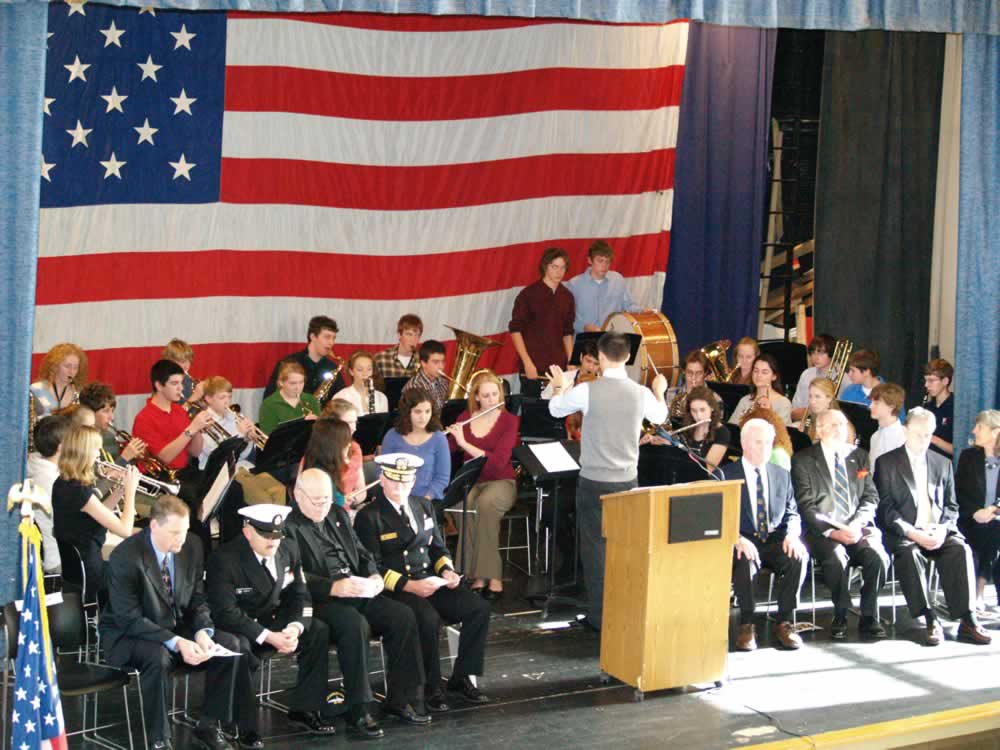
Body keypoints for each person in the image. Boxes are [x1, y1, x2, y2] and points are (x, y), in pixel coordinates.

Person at [100, 495, 252, 750]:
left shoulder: (191, 545)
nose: (181, 538)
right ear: (154, 526)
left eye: (184, 531)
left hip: (175, 625)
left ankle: (208, 725)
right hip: (129, 634)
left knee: (231, 643)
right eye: (174, 533)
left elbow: (197, 599)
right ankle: (160, 739)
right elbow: (129, 618)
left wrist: (203, 631)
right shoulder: (125, 557)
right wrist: (177, 641)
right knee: (158, 657)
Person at [283, 468, 427, 737]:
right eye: (316, 500)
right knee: (354, 624)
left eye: (326, 499)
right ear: (297, 495)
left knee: (402, 615)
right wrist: (334, 587)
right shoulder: (287, 525)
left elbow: (361, 553)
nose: (322, 506)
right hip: (319, 599)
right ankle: (359, 708)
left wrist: (373, 575)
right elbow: (290, 575)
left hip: (355, 588)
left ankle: (401, 698)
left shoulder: (337, 514)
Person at [547, 332, 668, 630]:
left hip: (593, 481)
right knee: (623, 549)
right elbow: (661, 415)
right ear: (627, 358)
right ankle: (625, 613)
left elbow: (554, 409)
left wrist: (560, 386)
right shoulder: (640, 393)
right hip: (626, 483)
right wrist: (660, 389)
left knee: (594, 550)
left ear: (600, 357)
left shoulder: (588, 391)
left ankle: (600, 618)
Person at [354, 453, 491, 711]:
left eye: (405, 482)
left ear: (414, 480)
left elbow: (438, 549)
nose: (400, 488)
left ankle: (462, 677)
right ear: (382, 479)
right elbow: (372, 567)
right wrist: (411, 586)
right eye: (394, 481)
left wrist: (448, 571)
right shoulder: (369, 516)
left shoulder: (423, 506)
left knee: (478, 608)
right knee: (427, 618)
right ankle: (431, 687)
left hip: (429, 580)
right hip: (396, 589)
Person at [206, 505, 336, 742]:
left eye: (277, 535)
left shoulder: (288, 549)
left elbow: (300, 595)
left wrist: (295, 627)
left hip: (275, 621)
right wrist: (267, 636)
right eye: (265, 535)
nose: (272, 542)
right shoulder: (224, 560)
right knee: (239, 648)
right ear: (247, 532)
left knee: (317, 630)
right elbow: (225, 613)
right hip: (241, 626)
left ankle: (305, 708)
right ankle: (245, 726)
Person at [874, 408, 990, 646]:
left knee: (961, 549)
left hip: (937, 530)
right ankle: (928, 618)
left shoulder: (942, 462)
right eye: (919, 435)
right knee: (909, 553)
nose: (924, 440)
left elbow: (952, 506)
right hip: (905, 532)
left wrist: (943, 529)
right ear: (905, 431)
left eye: (928, 435)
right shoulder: (886, 463)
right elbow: (885, 510)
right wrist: (911, 531)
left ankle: (967, 620)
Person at [791, 410, 888, 640]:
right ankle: (841, 613)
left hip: (857, 527)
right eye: (833, 425)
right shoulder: (803, 460)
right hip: (822, 530)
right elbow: (806, 506)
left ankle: (868, 615)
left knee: (878, 557)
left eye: (842, 424)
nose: (839, 430)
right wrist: (833, 531)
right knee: (835, 558)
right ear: (820, 429)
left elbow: (870, 497)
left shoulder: (860, 457)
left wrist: (856, 524)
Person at [722, 418, 808, 651]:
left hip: (774, 538)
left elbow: (792, 512)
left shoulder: (782, 474)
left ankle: (785, 622)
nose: (764, 449)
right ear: (744, 443)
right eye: (758, 443)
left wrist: (792, 534)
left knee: (798, 556)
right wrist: (735, 538)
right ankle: (747, 624)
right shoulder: (725, 475)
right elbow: (718, 516)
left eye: (768, 443)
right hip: (743, 538)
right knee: (745, 560)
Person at [446, 370, 520, 600]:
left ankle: (491, 577)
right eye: (486, 396)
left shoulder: (509, 421)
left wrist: (464, 443)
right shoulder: (464, 418)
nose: (492, 400)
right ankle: (474, 574)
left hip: (502, 481)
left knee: (486, 505)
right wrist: (446, 436)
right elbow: (450, 449)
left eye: (495, 395)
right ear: (476, 397)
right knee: (462, 505)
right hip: (472, 480)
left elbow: (498, 464)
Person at [53, 425, 140, 600]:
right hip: (91, 572)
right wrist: (131, 492)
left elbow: (98, 514)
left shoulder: (64, 482)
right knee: (141, 575)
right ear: (83, 452)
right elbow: (124, 530)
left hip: (78, 568)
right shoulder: (78, 491)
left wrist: (120, 490)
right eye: (95, 450)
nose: (99, 455)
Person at [509, 246, 575, 396]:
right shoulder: (528, 295)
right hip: (534, 366)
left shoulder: (567, 297)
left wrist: (571, 360)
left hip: (559, 369)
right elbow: (515, 330)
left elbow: (567, 332)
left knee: (557, 414)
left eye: (563, 268)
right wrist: (527, 362)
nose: (559, 272)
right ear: (545, 266)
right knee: (533, 414)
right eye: (555, 267)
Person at [955, 410, 1000, 610]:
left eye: (980, 427)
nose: (974, 431)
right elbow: (958, 492)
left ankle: (979, 591)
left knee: (994, 531)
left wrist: (994, 509)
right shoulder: (968, 457)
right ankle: (979, 592)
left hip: (995, 518)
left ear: (995, 432)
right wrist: (975, 512)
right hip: (970, 519)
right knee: (991, 533)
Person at [379, 389, 451, 502]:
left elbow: (442, 478)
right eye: (418, 412)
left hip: (428, 500)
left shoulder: (439, 438)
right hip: (396, 498)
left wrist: (426, 498)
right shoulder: (392, 436)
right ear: (407, 412)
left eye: (428, 411)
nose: (423, 417)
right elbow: (382, 471)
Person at [565, 240, 647, 333]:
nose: (604, 266)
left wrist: (642, 311)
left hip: (612, 339)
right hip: (585, 339)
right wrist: (583, 327)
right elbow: (566, 318)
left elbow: (628, 306)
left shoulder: (617, 280)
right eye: (600, 261)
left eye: (607, 262)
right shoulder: (574, 285)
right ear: (589, 260)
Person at [26, 414, 73, 574]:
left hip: (54, 553)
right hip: (59, 559)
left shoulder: (36, 465)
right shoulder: (51, 480)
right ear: (61, 447)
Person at [263, 315, 346, 401]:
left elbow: (342, 403)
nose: (331, 343)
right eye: (327, 337)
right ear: (313, 336)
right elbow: (269, 399)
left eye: (334, 338)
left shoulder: (332, 368)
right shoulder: (288, 363)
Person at [195, 376, 263, 469]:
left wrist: (248, 439)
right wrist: (239, 434)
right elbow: (218, 456)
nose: (227, 401)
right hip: (215, 472)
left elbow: (241, 456)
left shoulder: (234, 417)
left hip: (239, 465)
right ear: (208, 399)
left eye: (229, 396)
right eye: (222, 397)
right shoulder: (203, 421)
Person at [302, 417, 366, 509]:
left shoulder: (318, 461)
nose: (349, 444)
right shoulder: (320, 474)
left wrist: (345, 499)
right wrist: (342, 500)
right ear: (333, 446)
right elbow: (335, 503)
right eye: (346, 441)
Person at [79, 381, 147, 466]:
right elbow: (97, 477)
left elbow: (118, 473)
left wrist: (133, 458)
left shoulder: (110, 437)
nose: (112, 417)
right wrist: (124, 458)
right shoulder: (80, 441)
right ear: (90, 412)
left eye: (112, 410)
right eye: (106, 411)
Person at [258, 361, 321, 435]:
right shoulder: (269, 404)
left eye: (301, 382)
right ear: (281, 382)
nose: (298, 388)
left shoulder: (311, 400)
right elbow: (269, 437)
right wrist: (303, 425)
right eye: (293, 383)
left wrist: (317, 424)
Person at [729, 354, 792, 426]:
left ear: (774, 376)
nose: (759, 375)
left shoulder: (783, 403)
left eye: (764, 372)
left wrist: (769, 413)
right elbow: (732, 427)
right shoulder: (745, 400)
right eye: (756, 371)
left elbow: (781, 433)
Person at [677, 385, 730, 470]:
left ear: (712, 408)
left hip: (707, 481)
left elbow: (708, 469)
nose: (698, 416)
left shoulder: (722, 432)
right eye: (694, 410)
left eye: (702, 410)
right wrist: (667, 441)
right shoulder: (687, 427)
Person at [791, 334, 840, 421]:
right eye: (813, 353)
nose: (816, 357)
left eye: (821, 353)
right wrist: (811, 410)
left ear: (832, 354)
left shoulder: (842, 378)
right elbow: (793, 413)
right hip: (803, 423)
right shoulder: (806, 374)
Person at [31, 342, 87, 417]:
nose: (71, 371)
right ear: (55, 366)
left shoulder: (79, 394)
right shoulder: (35, 390)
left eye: (75, 368)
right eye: (67, 366)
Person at [667, 350, 720, 424]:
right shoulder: (670, 394)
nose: (693, 377)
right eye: (689, 372)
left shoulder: (715, 399)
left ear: (705, 373)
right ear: (684, 372)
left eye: (698, 373)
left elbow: (717, 429)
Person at [800, 377, 855, 445]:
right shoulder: (808, 420)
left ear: (829, 398)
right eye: (810, 396)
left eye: (817, 396)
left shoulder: (843, 425)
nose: (812, 401)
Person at [333, 350, 389, 416]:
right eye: (360, 369)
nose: (365, 374)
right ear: (351, 371)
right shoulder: (341, 397)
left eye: (369, 369)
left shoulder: (381, 398)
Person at [401, 340, 450, 412]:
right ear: (423, 363)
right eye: (436, 362)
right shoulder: (414, 387)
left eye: (443, 361)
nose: (441, 366)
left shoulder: (444, 382)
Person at [869, 382, 907, 471]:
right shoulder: (875, 436)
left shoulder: (902, 437)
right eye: (871, 402)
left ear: (891, 406)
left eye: (876, 403)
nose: (870, 406)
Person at [374, 314, 423, 380]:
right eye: (409, 334)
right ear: (399, 335)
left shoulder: (424, 360)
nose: (413, 339)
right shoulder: (380, 359)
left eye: (417, 335)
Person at [923, 358, 954, 457]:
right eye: (926, 380)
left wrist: (931, 438)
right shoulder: (927, 407)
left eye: (931, 380)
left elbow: (959, 449)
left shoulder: (956, 409)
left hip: (946, 466)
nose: (926, 385)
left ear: (945, 381)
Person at [161, 338, 202, 405]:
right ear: (170, 361)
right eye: (182, 361)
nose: (186, 365)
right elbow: (174, 414)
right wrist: (195, 396)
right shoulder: (165, 383)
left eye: (189, 360)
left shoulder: (187, 378)